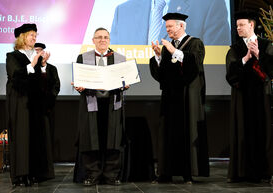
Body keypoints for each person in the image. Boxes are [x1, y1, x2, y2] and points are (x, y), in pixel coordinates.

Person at [149, 12, 209, 184]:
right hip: (170, 97)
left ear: (181, 26)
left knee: (186, 132)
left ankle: (187, 173)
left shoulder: (195, 43)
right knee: (168, 133)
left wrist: (173, 50)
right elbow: (162, 75)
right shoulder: (168, 48)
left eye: (170, 26)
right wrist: (159, 56)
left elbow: (194, 65)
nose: (167, 30)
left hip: (187, 97)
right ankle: (166, 172)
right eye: (166, 27)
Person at [73, 27, 129, 186]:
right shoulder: (83, 58)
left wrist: (125, 85)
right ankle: (92, 175)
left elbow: (124, 80)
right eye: (99, 37)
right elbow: (79, 81)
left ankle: (111, 175)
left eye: (105, 37)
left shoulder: (120, 58)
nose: (102, 40)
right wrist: (78, 86)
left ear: (109, 40)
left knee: (114, 140)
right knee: (90, 141)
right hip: (91, 104)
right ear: (93, 40)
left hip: (113, 104)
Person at [6, 23, 59, 187]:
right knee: (22, 138)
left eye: (35, 35)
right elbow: (15, 77)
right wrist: (32, 64)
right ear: (22, 37)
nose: (34, 38)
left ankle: (35, 173)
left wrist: (42, 66)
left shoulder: (35, 57)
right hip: (21, 102)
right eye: (31, 35)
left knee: (36, 139)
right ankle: (21, 175)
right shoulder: (13, 56)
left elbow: (44, 83)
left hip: (36, 105)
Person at [226, 10, 273, 183]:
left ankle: (264, 172)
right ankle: (241, 172)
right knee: (242, 132)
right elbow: (230, 75)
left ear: (251, 25)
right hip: (242, 97)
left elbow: (271, 70)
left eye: (241, 25)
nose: (238, 28)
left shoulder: (266, 44)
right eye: (237, 25)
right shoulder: (235, 49)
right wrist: (245, 58)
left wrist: (259, 55)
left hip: (262, 96)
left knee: (264, 132)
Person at [110, 0, 231, 45]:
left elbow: (215, 61)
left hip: (182, 94)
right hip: (131, 95)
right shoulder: (123, 11)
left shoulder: (210, 4)